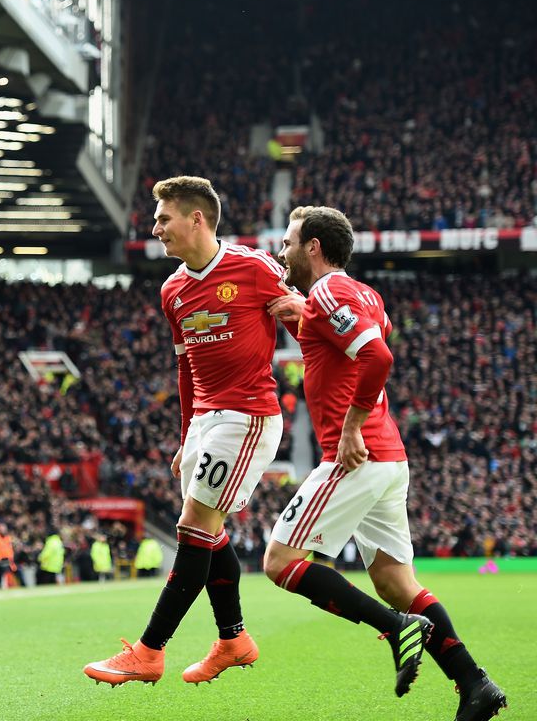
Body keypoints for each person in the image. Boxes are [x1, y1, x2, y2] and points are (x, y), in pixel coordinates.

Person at [262, 206, 506, 718]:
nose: (282, 251)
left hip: (356, 454)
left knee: (279, 562)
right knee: (397, 583)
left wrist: (350, 427)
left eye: (288, 242)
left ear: (313, 247)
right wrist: (303, 320)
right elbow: (351, 352)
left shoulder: (329, 292)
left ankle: (398, 629)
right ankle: (474, 682)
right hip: (389, 457)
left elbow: (378, 359)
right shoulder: (360, 295)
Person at [85, 176, 287, 687]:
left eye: (163, 218)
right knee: (210, 534)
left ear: (197, 218)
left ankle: (149, 652)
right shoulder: (172, 289)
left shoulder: (256, 268)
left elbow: (309, 318)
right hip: (204, 422)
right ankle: (233, 640)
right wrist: (185, 435)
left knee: (192, 529)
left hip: (246, 417)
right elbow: (184, 370)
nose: (155, 228)